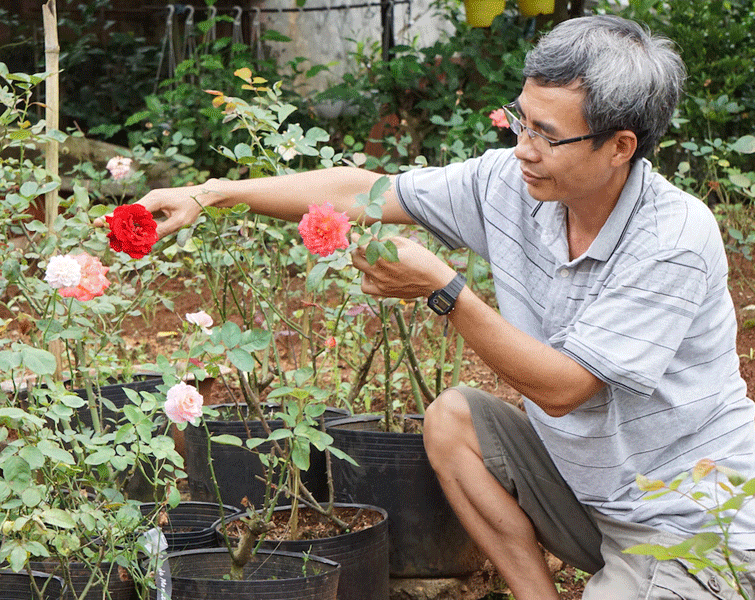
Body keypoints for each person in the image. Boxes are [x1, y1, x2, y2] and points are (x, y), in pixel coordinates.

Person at [126, 15, 755, 599]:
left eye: (548, 135)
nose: (523, 147)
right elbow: (367, 190)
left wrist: (443, 290)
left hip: (694, 521)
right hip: (593, 498)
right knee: (454, 418)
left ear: (620, 146)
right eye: (522, 120)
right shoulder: (514, 184)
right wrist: (211, 193)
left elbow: (565, 390)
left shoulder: (672, 239)